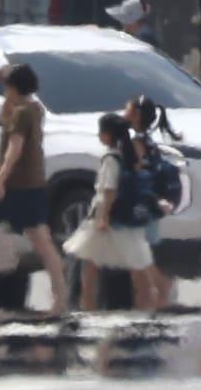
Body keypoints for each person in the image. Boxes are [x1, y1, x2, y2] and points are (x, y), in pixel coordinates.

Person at [0, 64, 68, 318]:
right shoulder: (33, 108)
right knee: (42, 243)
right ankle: (61, 302)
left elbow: (14, 149)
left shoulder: (21, 114)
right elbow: (8, 120)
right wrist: (6, 86)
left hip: (14, 186)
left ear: (13, 87)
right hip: (33, 184)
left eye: (6, 86)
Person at [63, 113, 157, 311]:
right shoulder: (127, 156)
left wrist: (103, 217)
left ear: (106, 135)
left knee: (91, 264)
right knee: (135, 263)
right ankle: (147, 304)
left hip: (106, 217)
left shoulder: (111, 158)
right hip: (123, 217)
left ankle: (87, 306)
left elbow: (109, 189)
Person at [123, 94, 182, 307]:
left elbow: (138, 174)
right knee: (138, 257)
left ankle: (159, 289)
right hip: (147, 204)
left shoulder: (135, 142)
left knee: (138, 256)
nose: (124, 111)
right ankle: (149, 299)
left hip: (141, 205)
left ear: (136, 115)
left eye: (127, 108)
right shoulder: (145, 140)